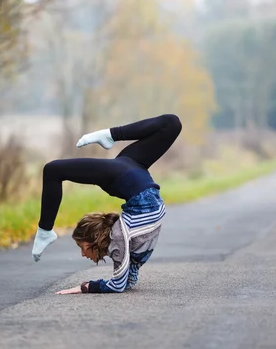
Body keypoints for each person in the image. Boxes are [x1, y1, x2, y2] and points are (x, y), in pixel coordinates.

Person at [31, 114, 182, 294]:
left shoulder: (120, 241)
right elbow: (123, 283)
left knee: (52, 170)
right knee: (172, 123)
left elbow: (121, 283)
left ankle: (45, 231)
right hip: (130, 176)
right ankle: (110, 135)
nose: (82, 254)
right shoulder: (120, 245)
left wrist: (85, 287)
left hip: (129, 179)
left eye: (82, 247)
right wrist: (90, 286)